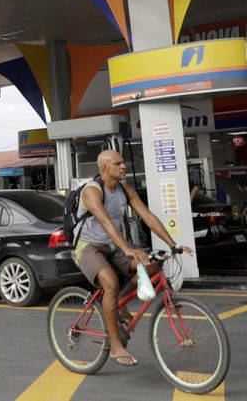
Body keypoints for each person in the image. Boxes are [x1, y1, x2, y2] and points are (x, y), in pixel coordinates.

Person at [72, 150, 192, 367]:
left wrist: (172, 245)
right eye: (117, 163)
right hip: (89, 246)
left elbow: (147, 216)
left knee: (153, 265)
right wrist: (126, 247)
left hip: (113, 244)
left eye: (123, 162)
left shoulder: (125, 189)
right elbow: (106, 221)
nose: (123, 166)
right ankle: (116, 346)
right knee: (110, 282)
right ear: (104, 168)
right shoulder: (92, 191)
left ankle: (119, 302)